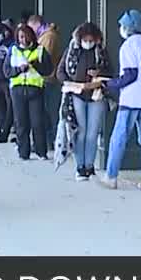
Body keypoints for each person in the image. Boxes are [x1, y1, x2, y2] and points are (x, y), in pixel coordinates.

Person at [101, 10, 141, 190]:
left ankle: (111, 176)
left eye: (122, 25)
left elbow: (130, 75)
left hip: (131, 99)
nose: (121, 28)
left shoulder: (128, 46)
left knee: (118, 138)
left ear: (128, 28)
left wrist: (110, 84)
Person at [55, 22, 111, 180]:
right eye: (85, 39)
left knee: (92, 133)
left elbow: (110, 71)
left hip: (96, 95)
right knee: (81, 131)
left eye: (91, 40)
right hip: (77, 95)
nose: (88, 42)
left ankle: (89, 166)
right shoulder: (72, 51)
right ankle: (80, 167)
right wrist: (70, 84)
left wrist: (99, 73)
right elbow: (60, 72)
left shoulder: (101, 52)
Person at [5, 24, 54, 160]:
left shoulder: (40, 50)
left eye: (25, 36)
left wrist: (36, 65)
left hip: (35, 89)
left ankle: (41, 151)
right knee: (21, 123)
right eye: (20, 37)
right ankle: (23, 152)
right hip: (18, 89)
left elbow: (48, 69)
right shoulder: (13, 50)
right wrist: (19, 70)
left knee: (37, 122)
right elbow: (7, 71)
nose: (23, 40)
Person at [28, 14, 61, 145]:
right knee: (44, 112)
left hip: (48, 78)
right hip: (45, 78)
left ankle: (49, 140)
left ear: (36, 24)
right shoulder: (44, 36)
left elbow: (44, 57)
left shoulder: (49, 37)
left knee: (48, 112)